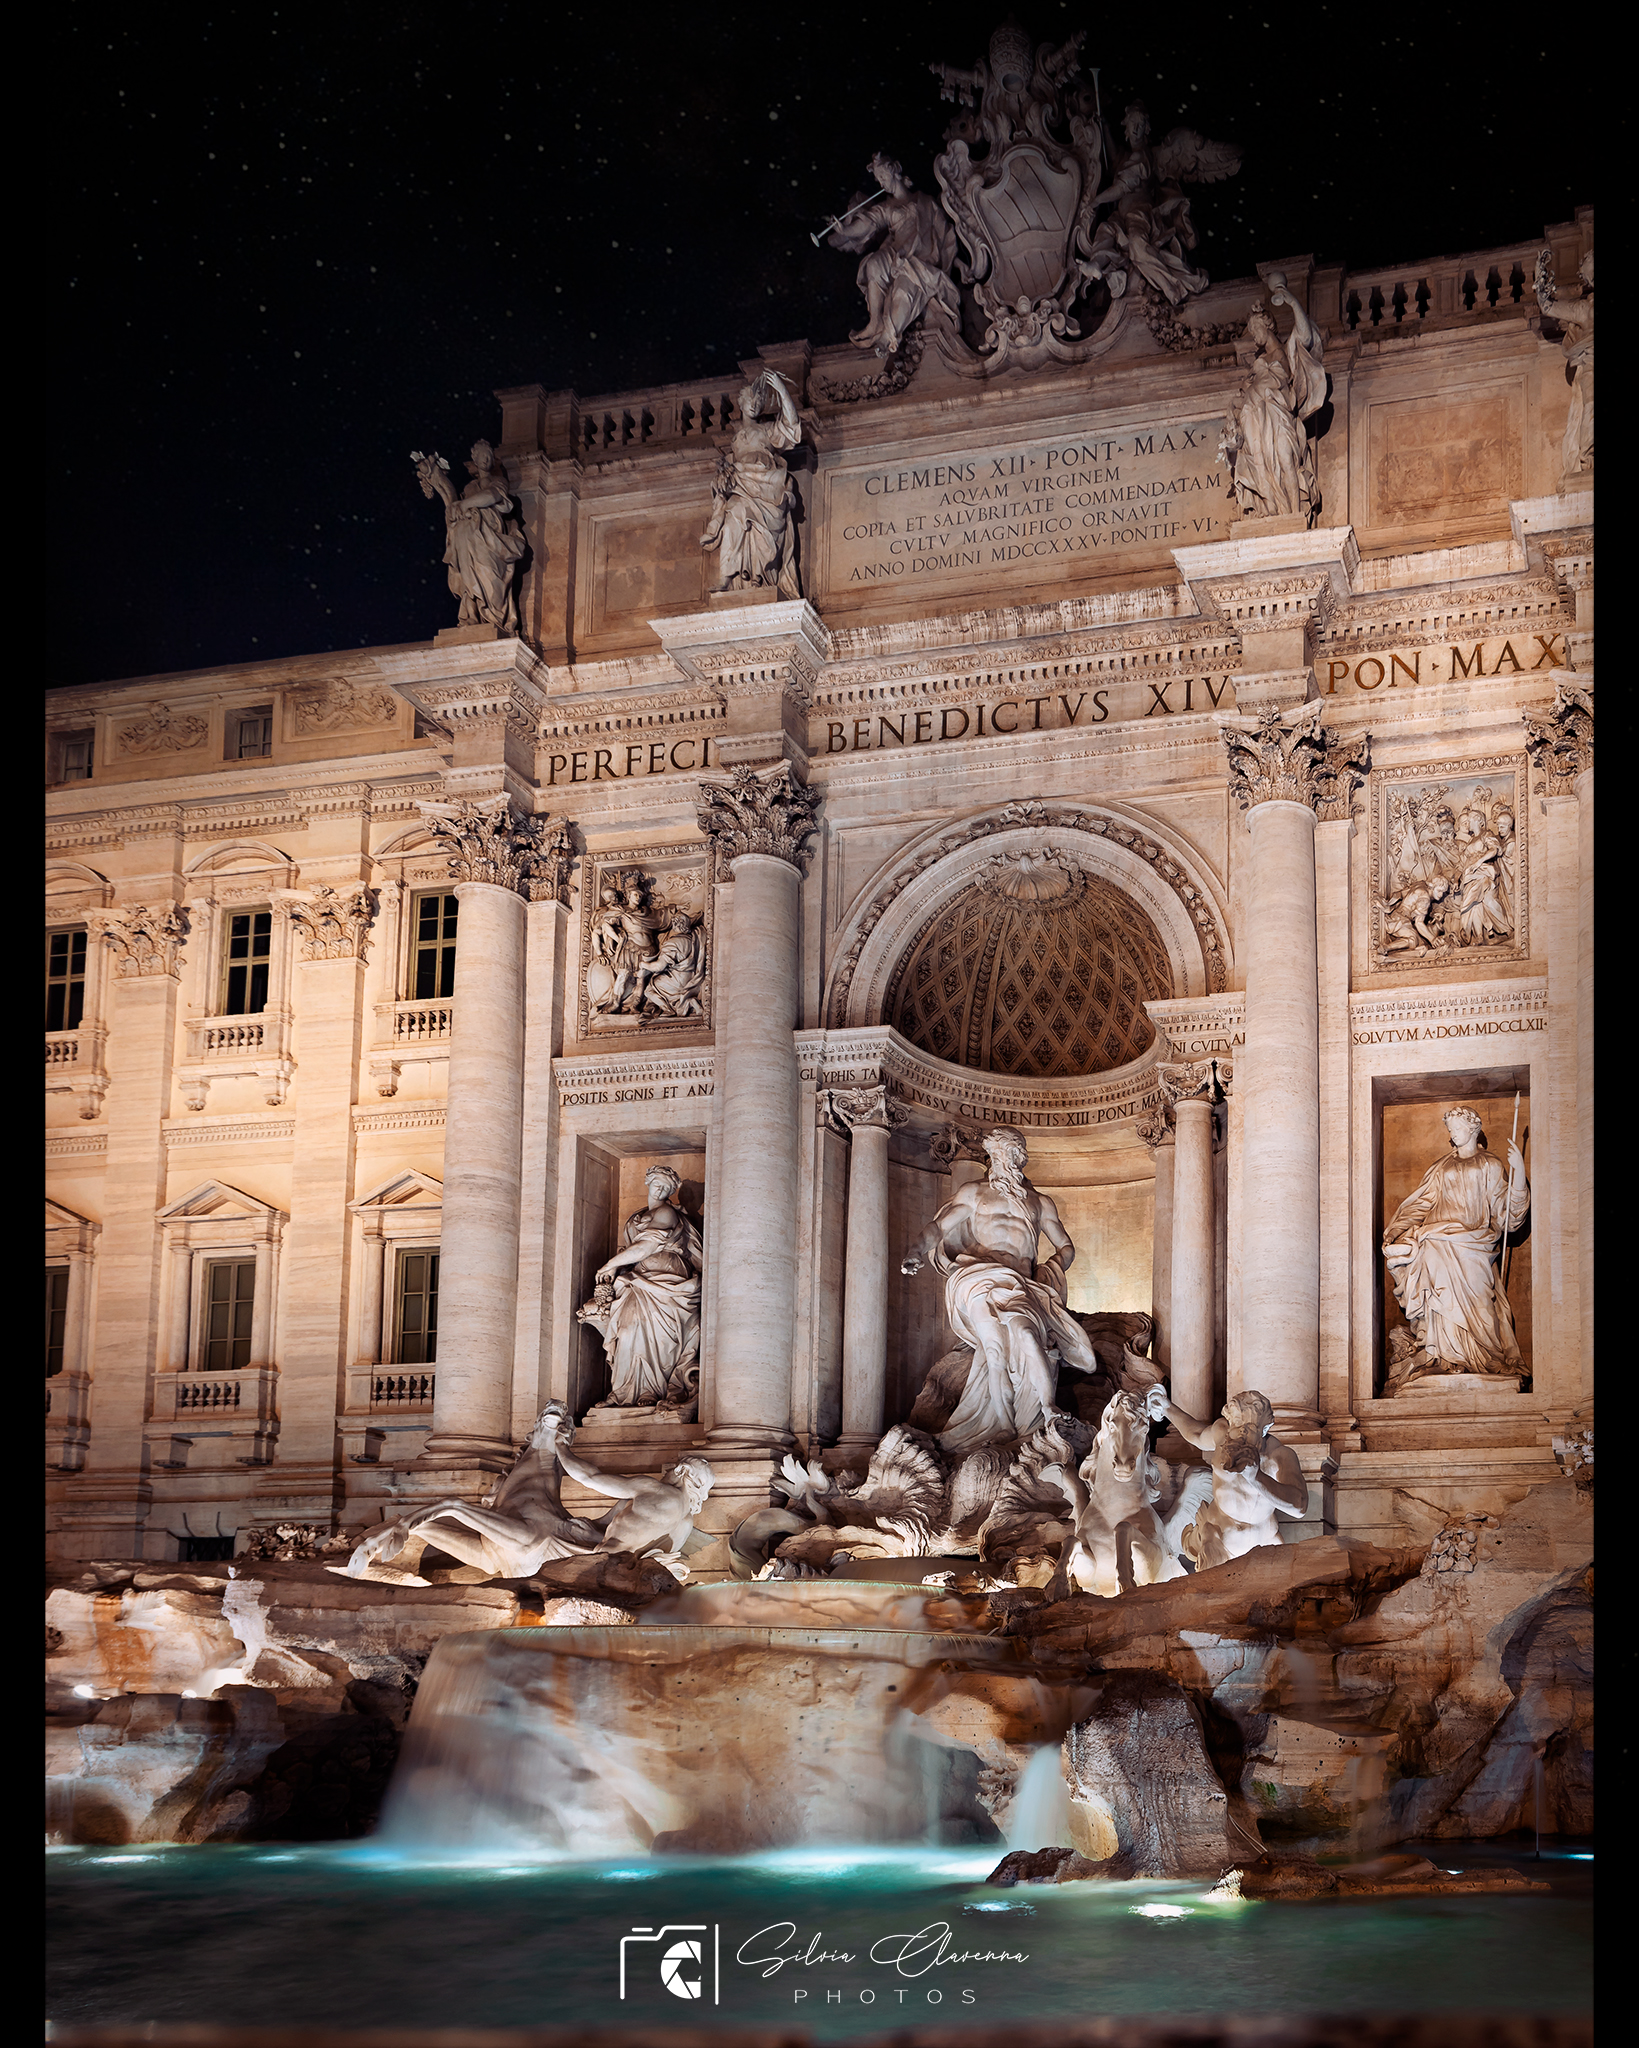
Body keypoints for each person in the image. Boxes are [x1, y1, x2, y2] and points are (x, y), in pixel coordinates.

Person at [900, 1126, 1100, 1451]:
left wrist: (1053, 1267)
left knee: (1025, 1334)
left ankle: (1049, 1408)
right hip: (980, 1277)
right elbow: (938, 1228)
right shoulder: (974, 1193)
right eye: (997, 1153)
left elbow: (1066, 1246)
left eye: (1009, 1153)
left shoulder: (1040, 1202)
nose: (1003, 1160)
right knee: (993, 1352)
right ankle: (1005, 1425)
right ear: (991, 1156)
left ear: (1020, 1157)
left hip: (1021, 1284)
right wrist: (915, 1252)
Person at [1382, 1106, 1529, 1375]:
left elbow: (1509, 1216)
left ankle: (1486, 1356)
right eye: (1450, 1129)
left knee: (1482, 1303)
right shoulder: (1442, 1167)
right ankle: (1444, 1357)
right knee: (1439, 1299)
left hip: (1475, 1245)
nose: (1452, 1134)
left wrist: (1518, 1173)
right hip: (1437, 1241)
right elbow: (1422, 1204)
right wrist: (1396, 1229)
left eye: (1457, 1128)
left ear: (1473, 1129)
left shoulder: (1490, 1164)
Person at [1143, 1385, 1308, 1566]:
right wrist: (1167, 1408)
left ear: (1264, 1429)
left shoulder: (1280, 1455)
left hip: (1265, 1543)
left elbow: (1298, 1506)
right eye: (1236, 1426)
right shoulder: (1223, 1433)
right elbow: (1196, 1433)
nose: (1240, 1433)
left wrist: (1256, 1477)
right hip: (1216, 1539)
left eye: (1249, 1428)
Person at [584, 1165, 703, 1407]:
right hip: (638, 1281)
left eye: (667, 1187)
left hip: (668, 1282)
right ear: (648, 1182)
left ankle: (652, 1392)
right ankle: (622, 1394)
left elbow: (646, 1247)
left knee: (659, 1341)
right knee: (627, 1332)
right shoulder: (636, 1218)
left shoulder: (667, 1213)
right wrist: (618, 1268)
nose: (661, 1188)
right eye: (658, 1183)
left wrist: (610, 1265)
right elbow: (633, 1253)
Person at [826, 153, 959, 356]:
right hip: (896, 254)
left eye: (883, 176)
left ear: (894, 170)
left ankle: (888, 336)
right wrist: (845, 231)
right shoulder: (887, 207)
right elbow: (868, 223)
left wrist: (950, 261)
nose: (881, 182)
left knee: (903, 290)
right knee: (875, 263)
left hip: (919, 257)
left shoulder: (924, 201)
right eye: (878, 179)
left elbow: (943, 234)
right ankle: (875, 322)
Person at [700, 369, 803, 597]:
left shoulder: (767, 430)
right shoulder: (737, 437)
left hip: (765, 484)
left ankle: (759, 574)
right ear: (740, 402)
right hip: (741, 484)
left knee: (759, 529)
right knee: (733, 516)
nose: (755, 404)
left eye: (760, 401)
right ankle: (727, 577)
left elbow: (792, 424)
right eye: (751, 399)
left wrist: (781, 389)